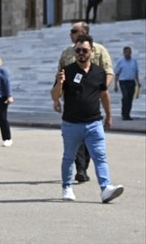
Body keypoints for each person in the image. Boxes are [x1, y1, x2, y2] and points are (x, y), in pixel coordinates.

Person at [51, 34, 123, 204]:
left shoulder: (99, 72)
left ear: (92, 51)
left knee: (100, 157)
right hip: (71, 124)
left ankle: (106, 188)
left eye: (84, 50)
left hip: (94, 123)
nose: (81, 53)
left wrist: (109, 116)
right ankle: (67, 187)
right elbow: (55, 96)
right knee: (69, 157)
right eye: (78, 50)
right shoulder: (66, 71)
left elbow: (104, 95)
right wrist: (60, 84)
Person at [56, 21, 113, 183]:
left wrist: (98, 89)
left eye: (74, 31)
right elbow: (59, 74)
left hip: (92, 103)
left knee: (92, 143)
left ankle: (94, 176)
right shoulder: (67, 52)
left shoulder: (100, 50)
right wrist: (57, 97)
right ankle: (80, 169)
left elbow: (108, 72)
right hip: (72, 103)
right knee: (76, 142)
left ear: (83, 32)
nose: (71, 34)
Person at [113, 46, 140, 121]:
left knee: (130, 98)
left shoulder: (134, 61)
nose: (128, 53)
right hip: (123, 82)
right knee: (125, 97)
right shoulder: (120, 61)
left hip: (131, 82)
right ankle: (124, 113)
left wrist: (138, 82)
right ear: (124, 53)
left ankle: (127, 114)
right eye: (126, 52)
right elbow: (117, 73)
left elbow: (136, 72)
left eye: (129, 52)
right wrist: (115, 84)